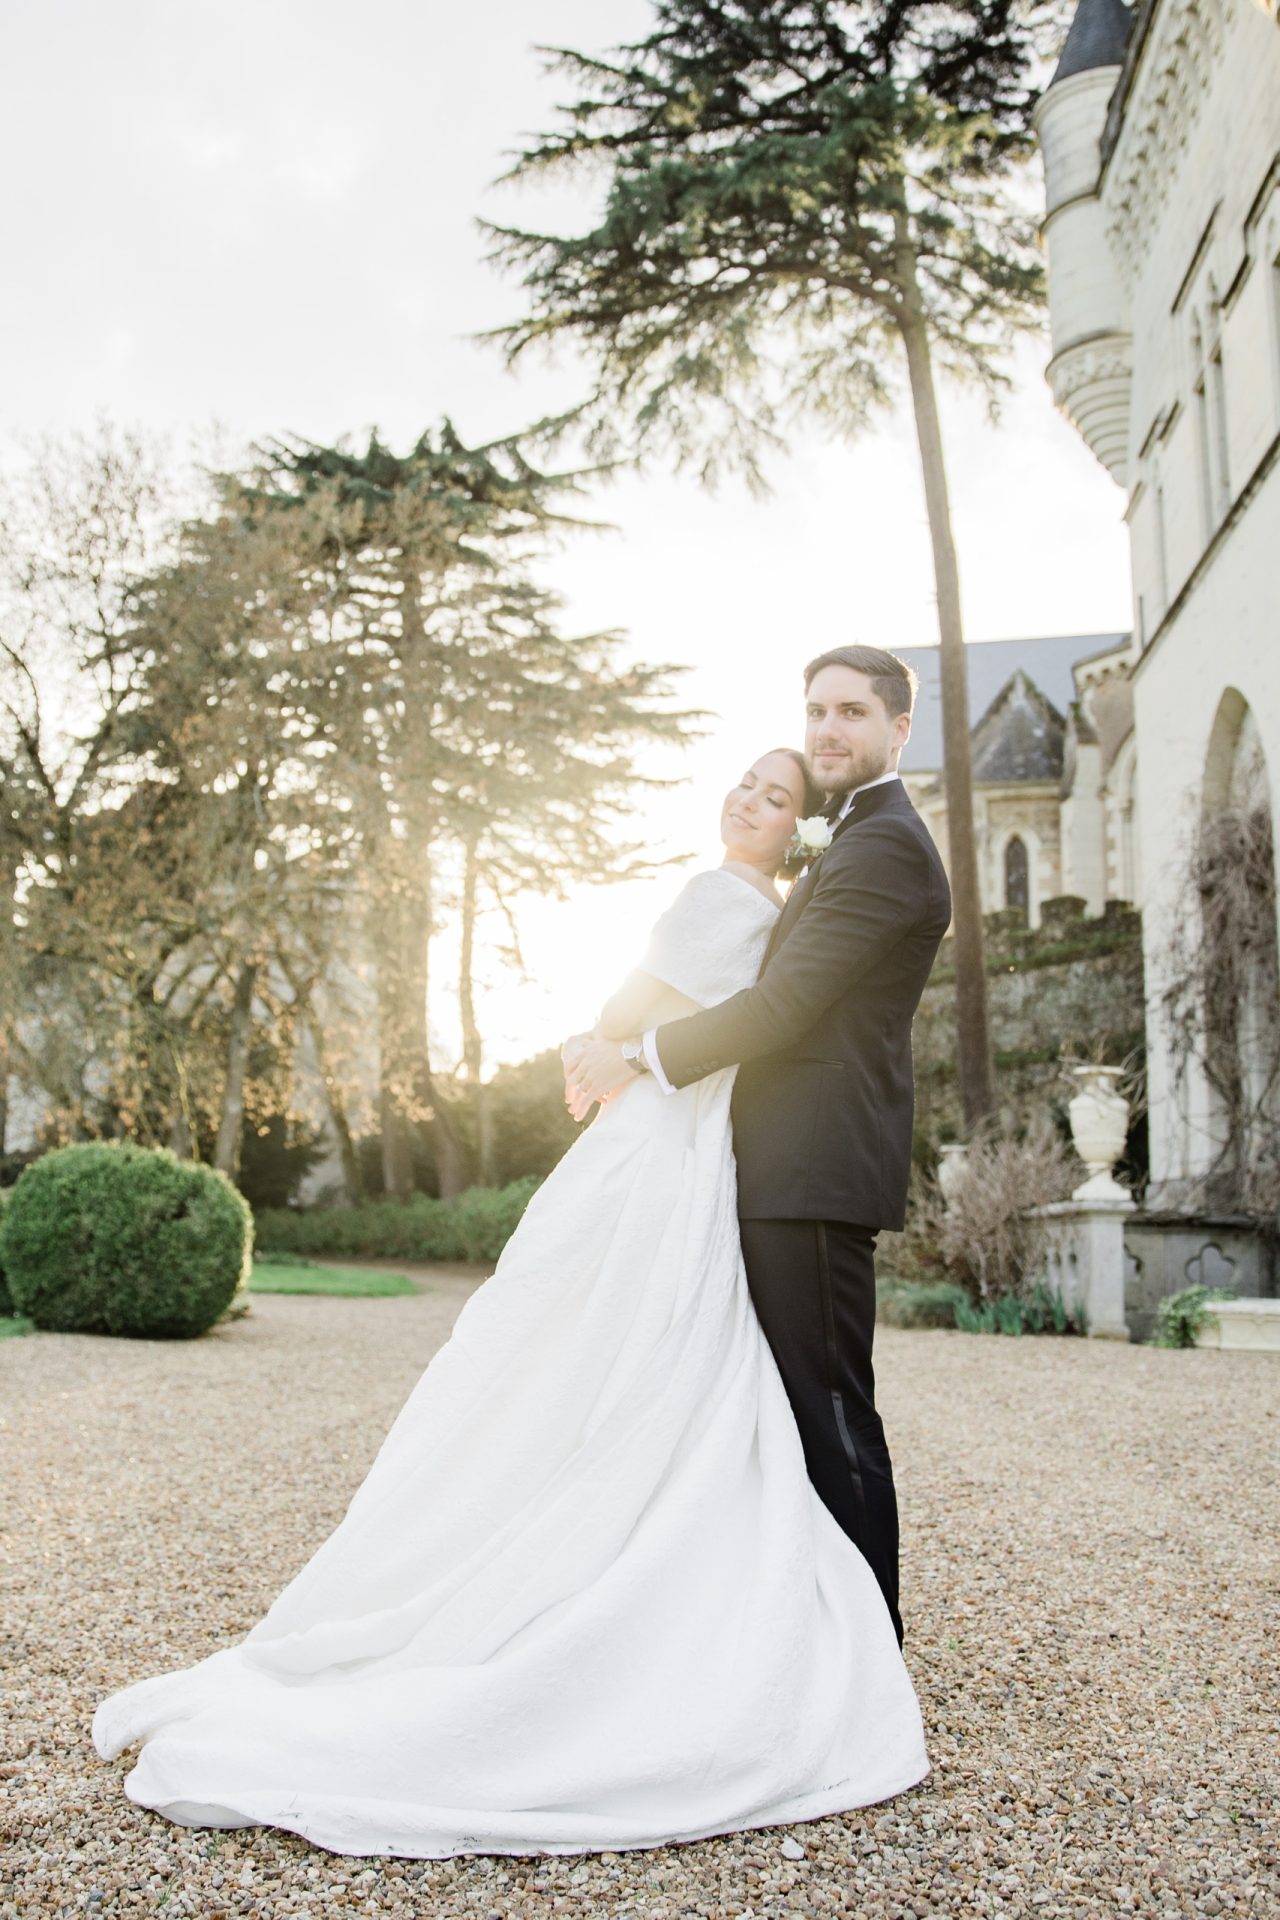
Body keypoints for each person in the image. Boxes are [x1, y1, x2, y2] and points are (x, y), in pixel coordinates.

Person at [92, 741, 929, 1861]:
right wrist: (608, 1047)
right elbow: (642, 1003)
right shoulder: (730, 897)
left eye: (775, 797)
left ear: (798, 828)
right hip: (676, 1138)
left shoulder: (759, 903)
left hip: (694, 1143)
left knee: (672, 1349)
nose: (750, 800)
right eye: (744, 783)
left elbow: (684, 1010)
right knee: (625, 1339)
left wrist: (616, 1045)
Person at [565, 645, 952, 1647]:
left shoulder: (888, 848)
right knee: (790, 1411)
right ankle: (806, 1630)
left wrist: (638, 1056)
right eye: (816, 708)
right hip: (779, 1163)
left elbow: (782, 1009)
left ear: (896, 730)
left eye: (852, 712)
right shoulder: (855, 840)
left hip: (813, 1171)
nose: (829, 728)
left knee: (829, 1413)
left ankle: (867, 1651)